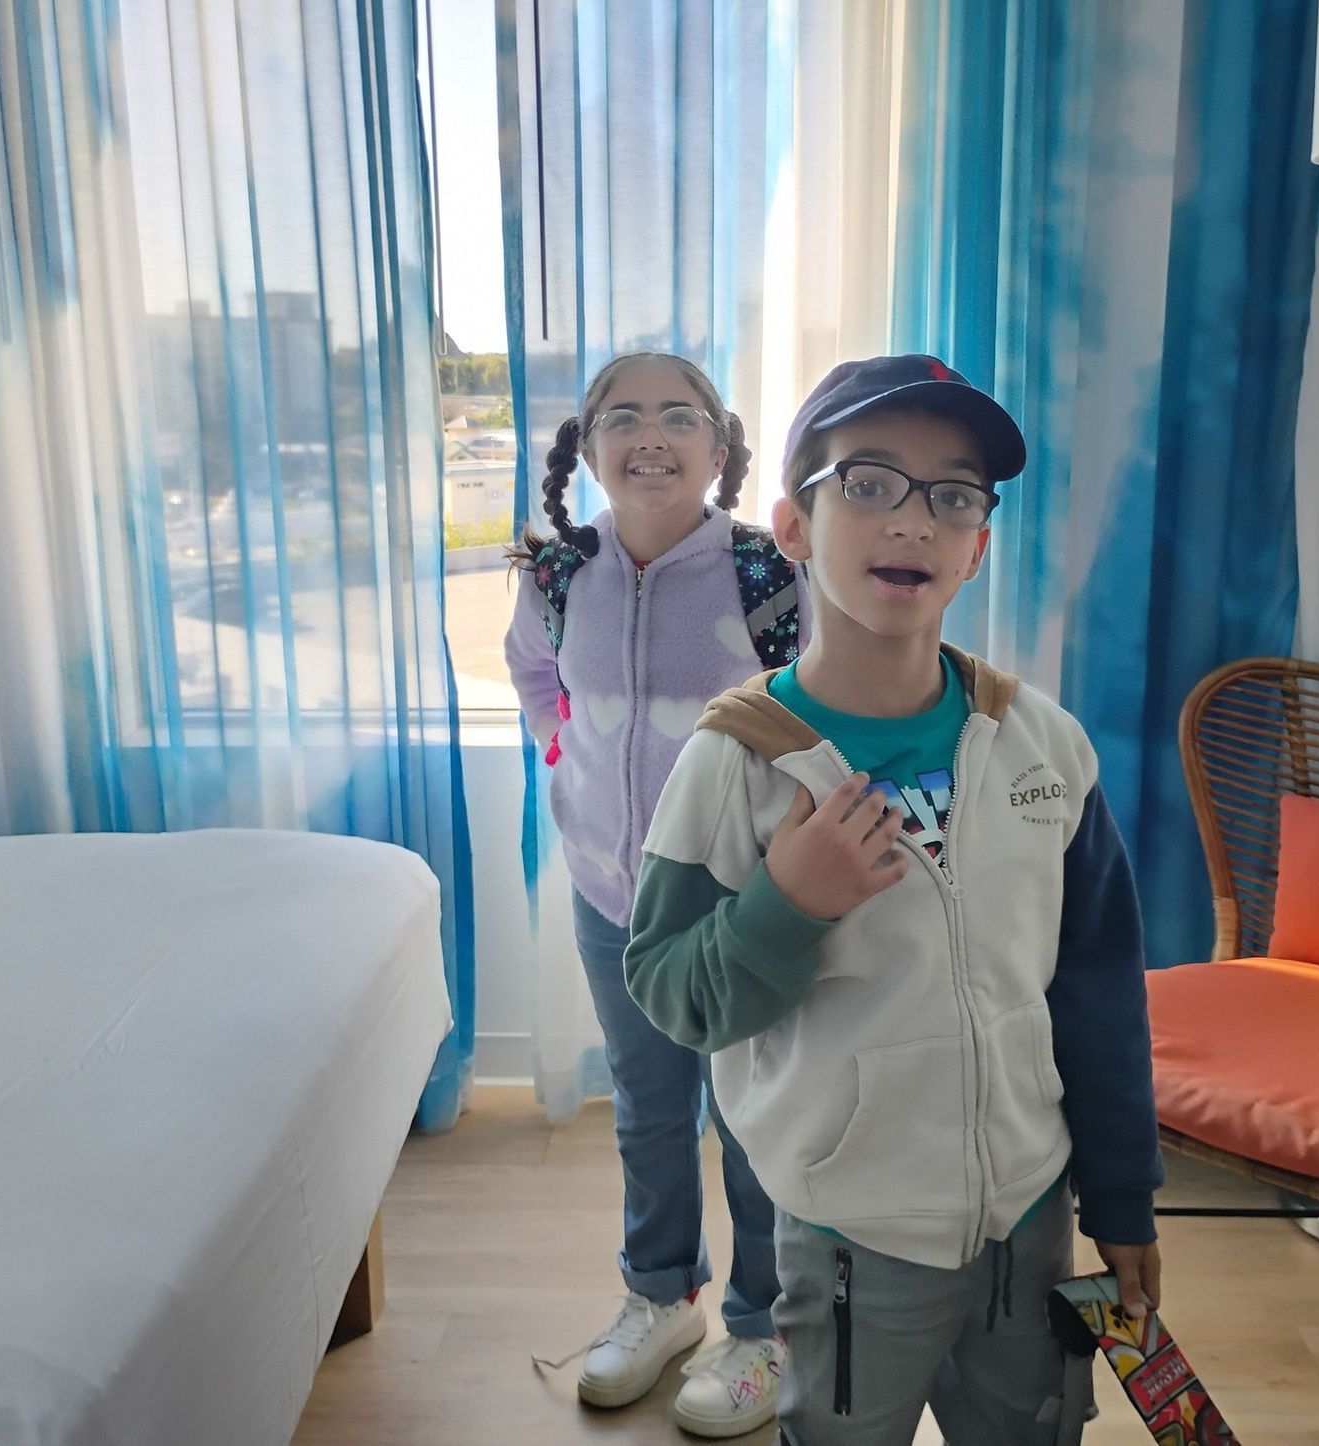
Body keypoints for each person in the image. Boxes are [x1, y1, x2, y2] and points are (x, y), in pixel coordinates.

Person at [624, 354, 1164, 1445]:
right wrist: (786, 904)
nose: (913, 520)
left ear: (978, 547)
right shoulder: (737, 763)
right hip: (846, 1238)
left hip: (1030, 1218)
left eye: (954, 495)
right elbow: (671, 993)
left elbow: (1101, 996)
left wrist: (1121, 1197)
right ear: (793, 526)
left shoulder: (1042, 746)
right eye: (867, 483)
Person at [504, 352, 806, 1438]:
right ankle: (662, 1294)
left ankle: (765, 1327)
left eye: (679, 416)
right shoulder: (558, 573)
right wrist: (563, 751)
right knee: (647, 1111)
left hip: (739, 906)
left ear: (718, 448)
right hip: (608, 896)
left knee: (753, 1118)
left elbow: (821, 708)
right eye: (622, 416)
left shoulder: (766, 572)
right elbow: (533, 673)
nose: (650, 435)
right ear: (587, 449)